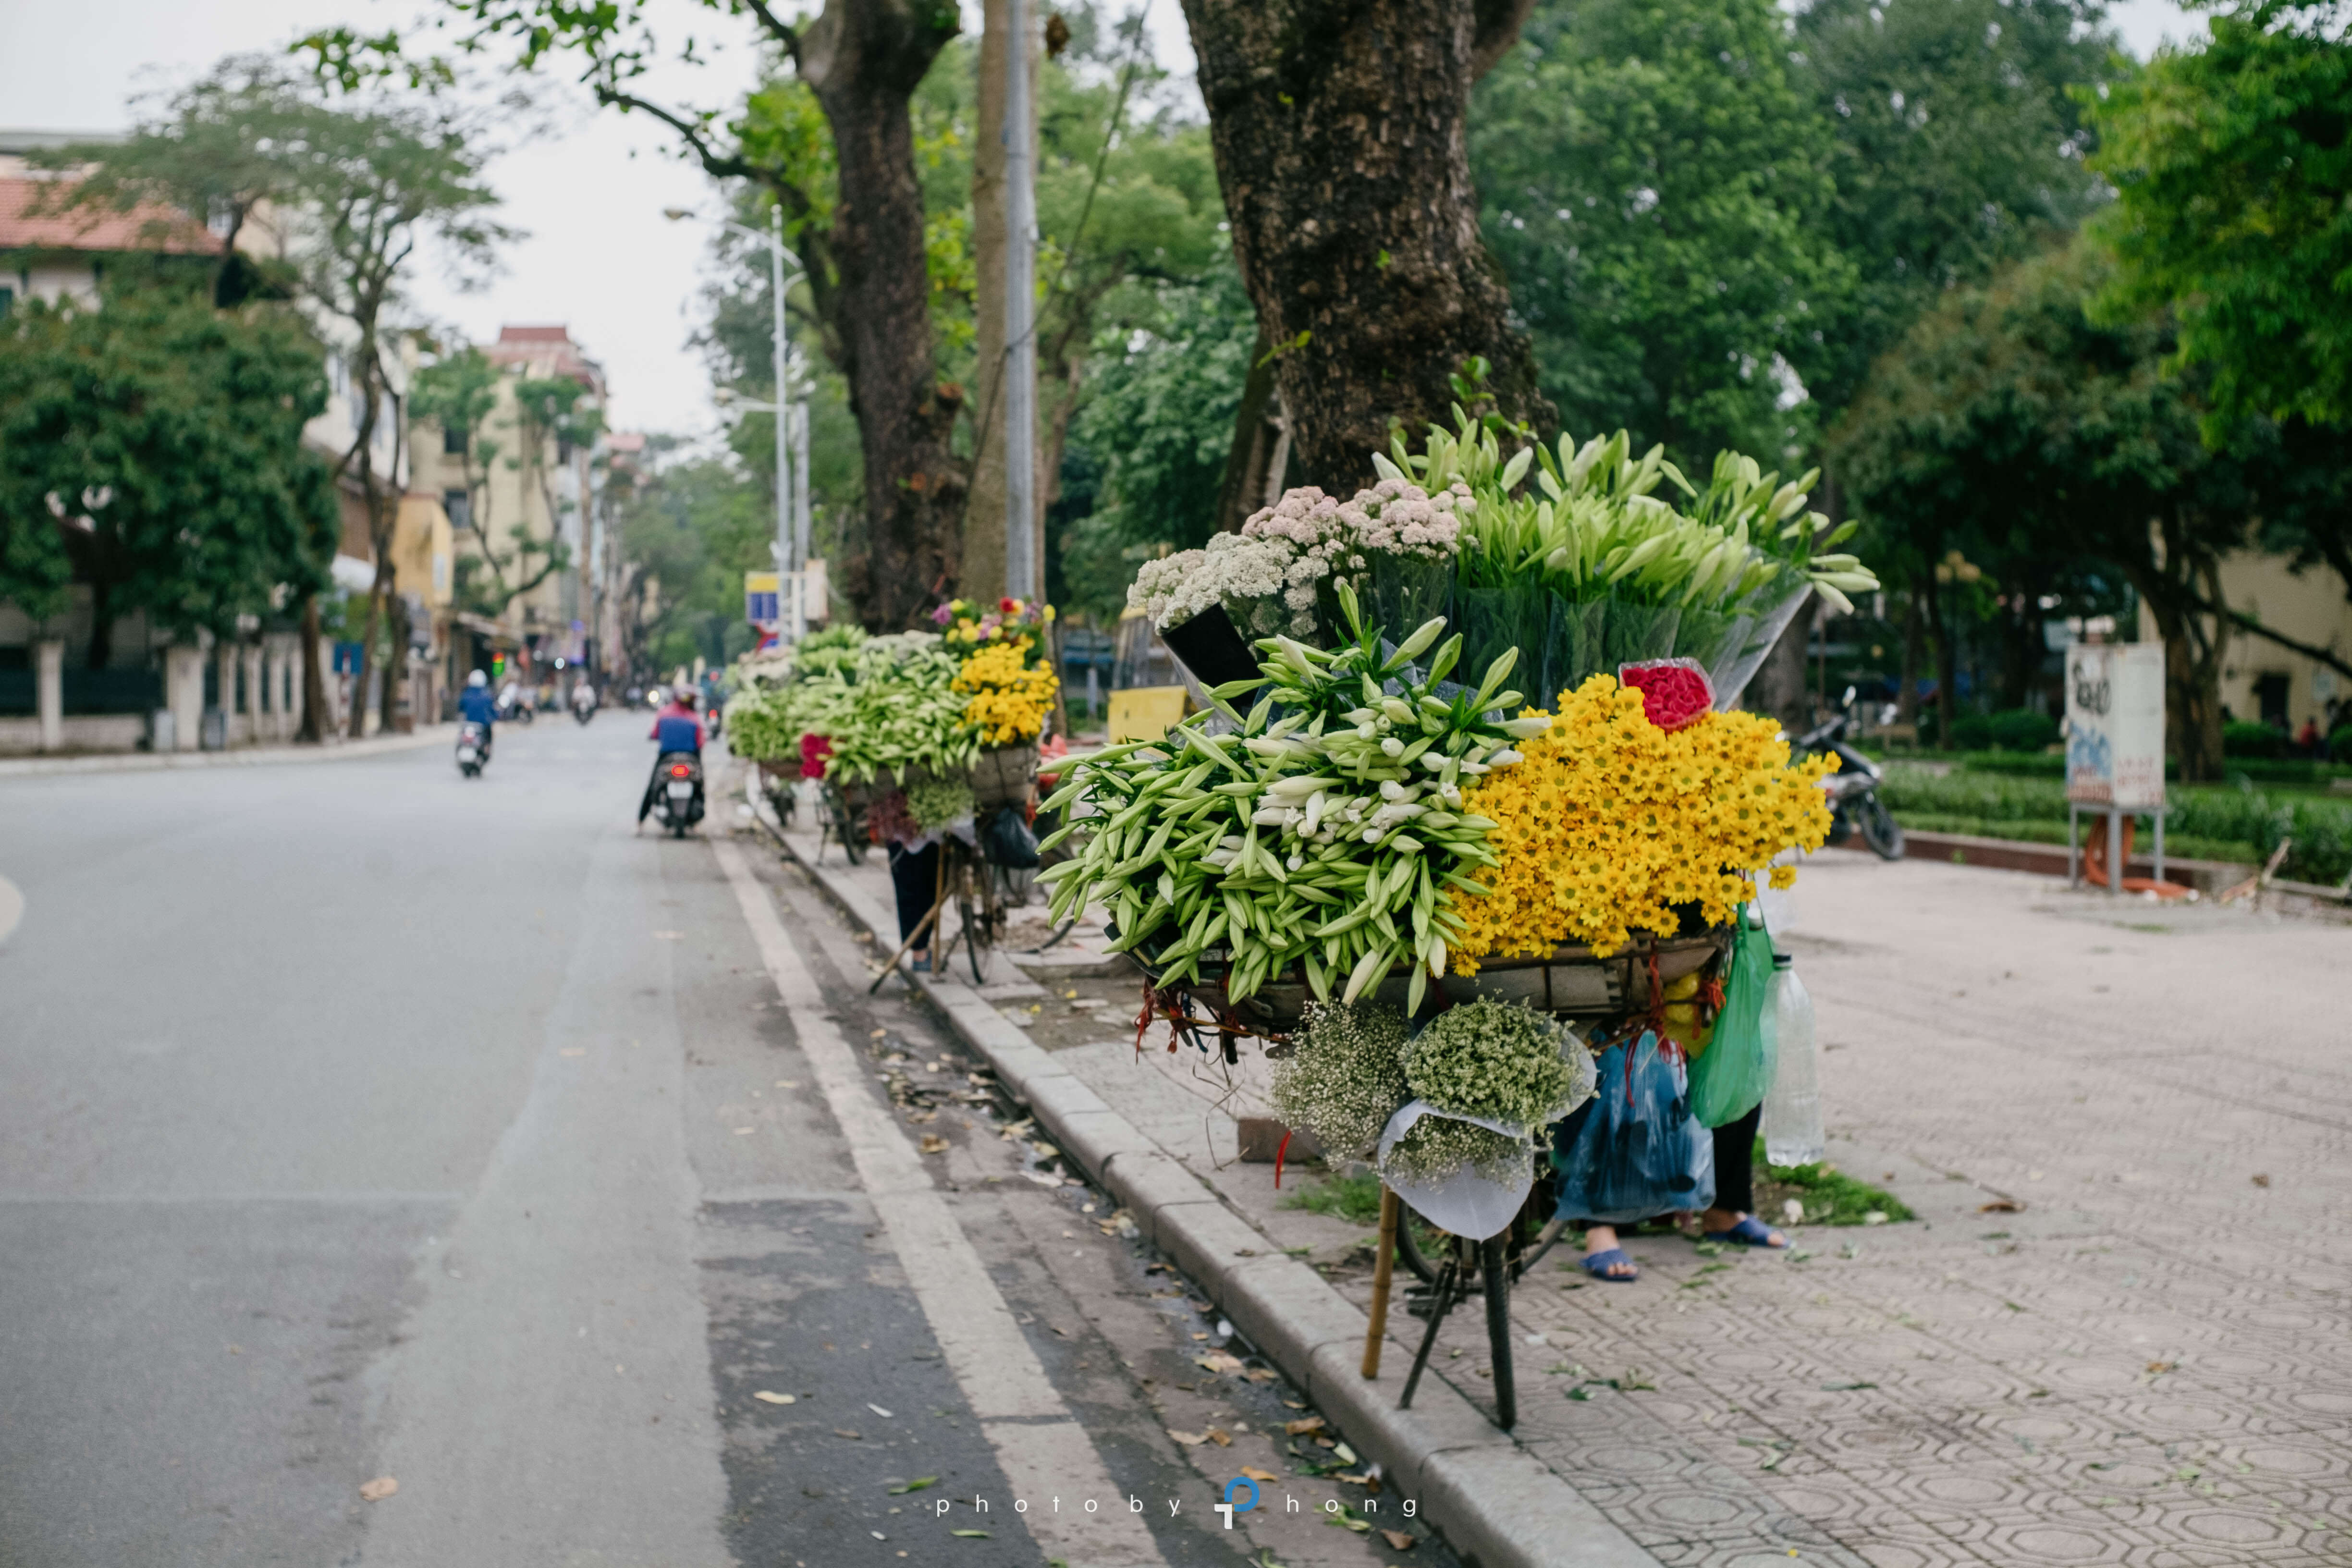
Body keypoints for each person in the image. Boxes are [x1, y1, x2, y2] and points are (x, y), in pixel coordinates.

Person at [637, 689, 703, 827]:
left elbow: (655, 734)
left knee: (653, 786)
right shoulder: (695, 718)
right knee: (700, 784)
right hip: (691, 757)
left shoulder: (663, 714)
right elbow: (700, 742)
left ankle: (640, 821)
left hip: (667, 756)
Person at [458, 669, 497, 733]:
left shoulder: (466, 695)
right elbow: (492, 710)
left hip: (468, 724)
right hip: (482, 725)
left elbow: (460, 708)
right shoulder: (487, 696)